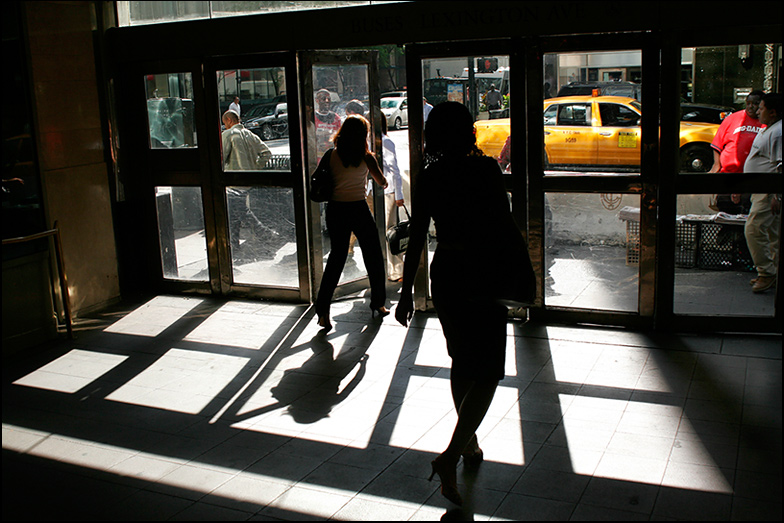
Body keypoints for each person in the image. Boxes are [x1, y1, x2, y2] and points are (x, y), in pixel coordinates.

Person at [395, 102, 516, 506]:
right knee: (488, 371)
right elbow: (504, 224)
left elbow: (417, 238)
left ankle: (469, 441)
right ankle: (451, 454)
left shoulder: (430, 175)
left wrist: (406, 294)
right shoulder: (485, 170)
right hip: (481, 271)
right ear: (469, 131)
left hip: (446, 270)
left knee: (462, 360)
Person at [315, 115, 389, 331]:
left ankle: (323, 311)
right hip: (358, 209)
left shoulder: (331, 155)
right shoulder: (367, 158)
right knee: (373, 256)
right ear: (363, 135)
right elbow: (382, 182)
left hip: (336, 210)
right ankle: (378, 303)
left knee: (336, 260)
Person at [743, 92, 781, 293]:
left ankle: (766, 273)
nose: (757, 111)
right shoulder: (769, 129)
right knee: (772, 233)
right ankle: (773, 271)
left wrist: (777, 195)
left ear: (773, 112)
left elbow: (780, 166)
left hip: (768, 192)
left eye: (761, 108)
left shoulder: (779, 132)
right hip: (761, 190)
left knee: (753, 229)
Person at [221, 110, 272, 257]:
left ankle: (264, 232)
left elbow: (222, 158)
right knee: (235, 214)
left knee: (239, 212)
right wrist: (255, 168)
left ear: (229, 120)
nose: (225, 126)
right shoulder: (250, 135)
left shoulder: (228, 135)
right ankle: (234, 244)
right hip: (248, 181)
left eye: (225, 123)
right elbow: (266, 153)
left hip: (233, 182)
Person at [709, 91, 765, 208]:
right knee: (726, 213)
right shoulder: (732, 119)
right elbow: (717, 145)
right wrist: (716, 165)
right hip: (728, 177)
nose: (751, 106)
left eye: (755, 103)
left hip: (753, 179)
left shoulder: (766, 122)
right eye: (748, 103)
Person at [381, 116, 405, 281]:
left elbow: (394, 169)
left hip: (388, 191)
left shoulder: (385, 142)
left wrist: (399, 195)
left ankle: (397, 271)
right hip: (374, 191)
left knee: (390, 232)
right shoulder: (369, 142)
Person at [315, 89, 342, 156]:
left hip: (333, 155)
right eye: (323, 99)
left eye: (329, 99)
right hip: (318, 156)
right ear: (317, 101)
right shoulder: (313, 117)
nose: (327, 101)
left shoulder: (336, 118)